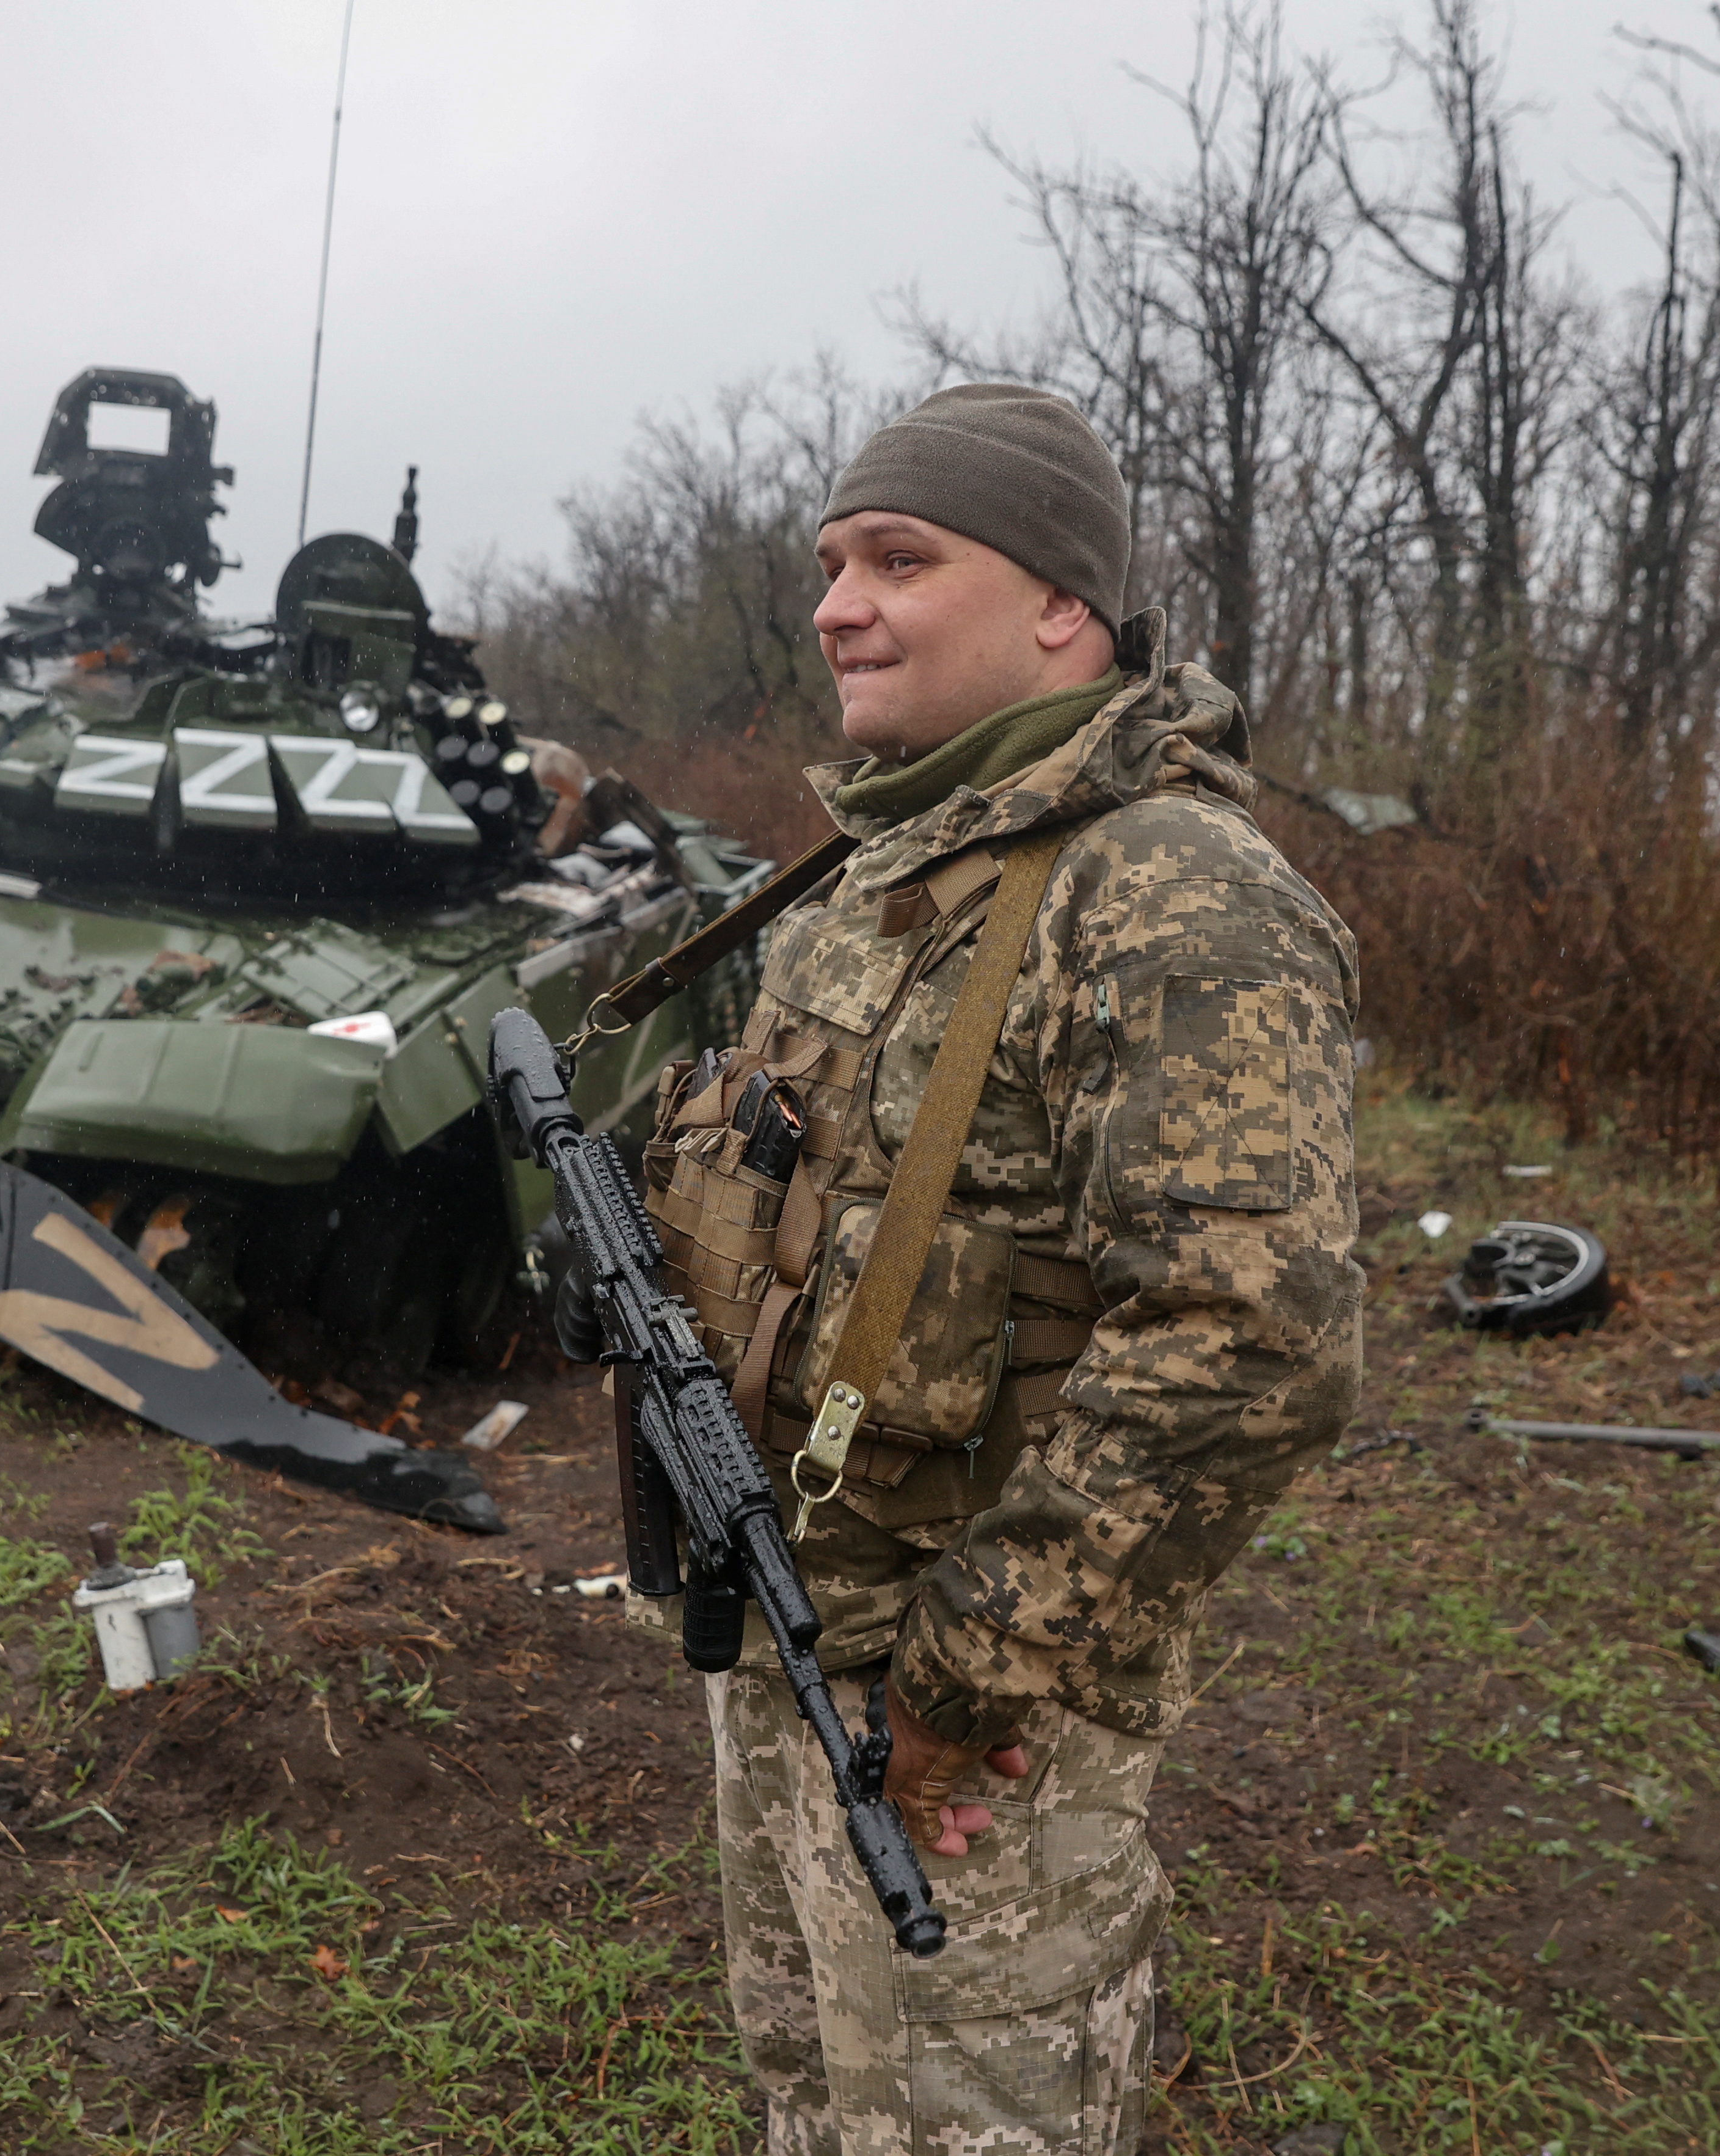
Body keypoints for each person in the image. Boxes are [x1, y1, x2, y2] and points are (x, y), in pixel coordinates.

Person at [638, 382, 1363, 2153]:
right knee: (806, 2081)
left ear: (1063, 604)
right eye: (829, 563)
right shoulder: (878, 870)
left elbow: (1248, 1338)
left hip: (970, 1705)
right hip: (786, 1617)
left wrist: (969, 1681)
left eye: (899, 557)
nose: (835, 604)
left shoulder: (1170, 890)